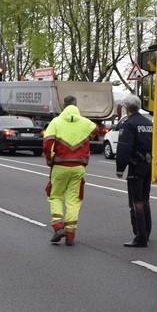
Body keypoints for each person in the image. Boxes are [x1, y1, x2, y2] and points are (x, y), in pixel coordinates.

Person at [43, 96, 97, 246]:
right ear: (76, 105)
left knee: (55, 196)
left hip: (60, 166)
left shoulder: (56, 122)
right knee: (73, 200)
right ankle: (70, 234)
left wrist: (49, 159)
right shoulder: (86, 123)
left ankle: (58, 227)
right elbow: (96, 130)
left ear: (63, 106)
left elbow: (47, 144)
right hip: (79, 167)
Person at [115, 94, 153, 247]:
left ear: (126, 108)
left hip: (136, 167)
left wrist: (120, 169)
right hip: (148, 165)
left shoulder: (128, 124)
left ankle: (140, 237)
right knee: (145, 199)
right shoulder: (148, 122)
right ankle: (147, 232)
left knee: (135, 202)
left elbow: (124, 148)